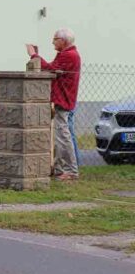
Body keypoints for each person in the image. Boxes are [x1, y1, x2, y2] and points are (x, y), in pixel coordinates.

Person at [27, 29, 81, 181]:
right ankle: (59, 169)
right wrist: (37, 56)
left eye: (55, 39)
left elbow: (49, 69)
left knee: (63, 137)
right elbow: (53, 67)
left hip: (64, 101)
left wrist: (33, 55)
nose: (53, 42)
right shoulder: (67, 54)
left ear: (63, 41)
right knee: (60, 137)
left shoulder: (69, 55)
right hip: (62, 100)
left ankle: (71, 171)